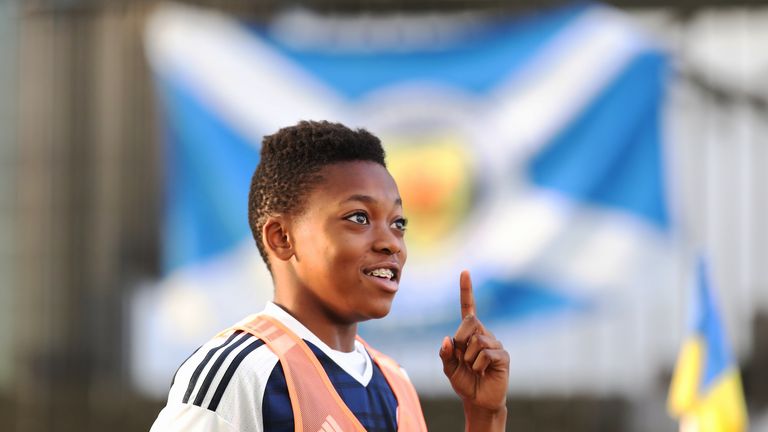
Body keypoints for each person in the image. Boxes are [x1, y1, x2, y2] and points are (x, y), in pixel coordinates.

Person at [150, 121, 509, 431]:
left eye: (398, 223)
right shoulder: (241, 374)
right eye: (358, 217)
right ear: (282, 238)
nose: (391, 243)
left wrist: (485, 415)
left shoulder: (395, 382)